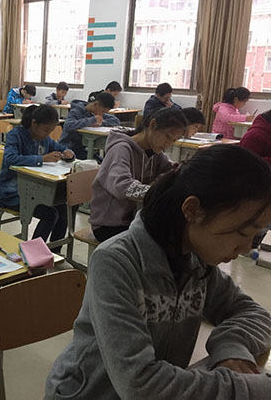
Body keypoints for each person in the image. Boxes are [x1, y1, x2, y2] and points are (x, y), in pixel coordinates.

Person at [45, 144, 271, 400]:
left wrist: (231, 347)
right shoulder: (116, 262)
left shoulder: (196, 261)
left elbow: (254, 314)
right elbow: (140, 385)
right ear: (192, 210)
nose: (245, 248)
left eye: (256, 236)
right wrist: (252, 390)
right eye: (242, 232)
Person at [90, 107, 187, 242]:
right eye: (168, 137)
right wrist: (156, 192)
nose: (168, 144)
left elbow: (171, 170)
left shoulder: (154, 151)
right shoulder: (121, 148)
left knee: (178, 231)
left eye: (174, 141)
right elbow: (121, 186)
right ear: (153, 124)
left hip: (134, 218)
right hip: (109, 224)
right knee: (163, 240)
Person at [0, 105, 74, 252]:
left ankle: (55, 250)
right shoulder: (16, 135)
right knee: (50, 214)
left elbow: (59, 147)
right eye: (46, 130)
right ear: (34, 123)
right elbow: (10, 159)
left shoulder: (45, 139)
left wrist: (68, 152)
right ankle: (33, 252)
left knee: (63, 207)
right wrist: (41, 159)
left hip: (36, 189)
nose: (47, 134)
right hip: (12, 192)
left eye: (50, 131)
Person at [58, 92, 120, 160]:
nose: (102, 114)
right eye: (102, 112)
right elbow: (68, 125)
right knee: (93, 163)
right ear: (95, 104)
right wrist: (91, 120)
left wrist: (100, 123)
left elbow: (116, 121)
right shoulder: (76, 111)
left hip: (83, 149)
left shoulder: (96, 112)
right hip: (69, 148)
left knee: (102, 162)